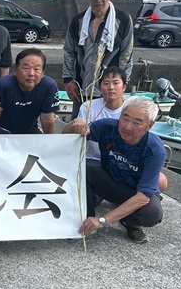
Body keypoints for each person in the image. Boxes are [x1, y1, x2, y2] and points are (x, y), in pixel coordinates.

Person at [64, 97, 165, 244]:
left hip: (135, 191)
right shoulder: (107, 127)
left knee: (152, 214)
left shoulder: (154, 149)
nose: (127, 127)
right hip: (110, 179)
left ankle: (129, 222)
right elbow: (67, 138)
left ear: (150, 126)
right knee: (83, 167)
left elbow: (143, 197)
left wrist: (102, 219)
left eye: (137, 123)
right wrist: (74, 124)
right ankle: (85, 218)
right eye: (125, 118)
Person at [78, 66, 169, 191]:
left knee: (160, 181)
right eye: (106, 83)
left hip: (125, 162)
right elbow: (75, 135)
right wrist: (77, 125)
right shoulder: (94, 114)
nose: (111, 87)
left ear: (124, 87)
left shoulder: (133, 109)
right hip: (98, 160)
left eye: (116, 83)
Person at [63, 0, 134, 117]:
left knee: (110, 128)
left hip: (110, 91)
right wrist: (68, 81)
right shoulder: (78, 21)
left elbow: (127, 54)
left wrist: (120, 84)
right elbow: (69, 52)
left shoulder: (123, 20)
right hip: (82, 89)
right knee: (79, 127)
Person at [0, 48, 59, 134]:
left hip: (29, 131)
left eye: (37, 69)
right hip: (0, 132)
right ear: (15, 70)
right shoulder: (1, 85)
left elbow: (47, 118)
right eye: (26, 68)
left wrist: (50, 140)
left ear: (42, 73)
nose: (31, 73)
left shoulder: (49, 86)